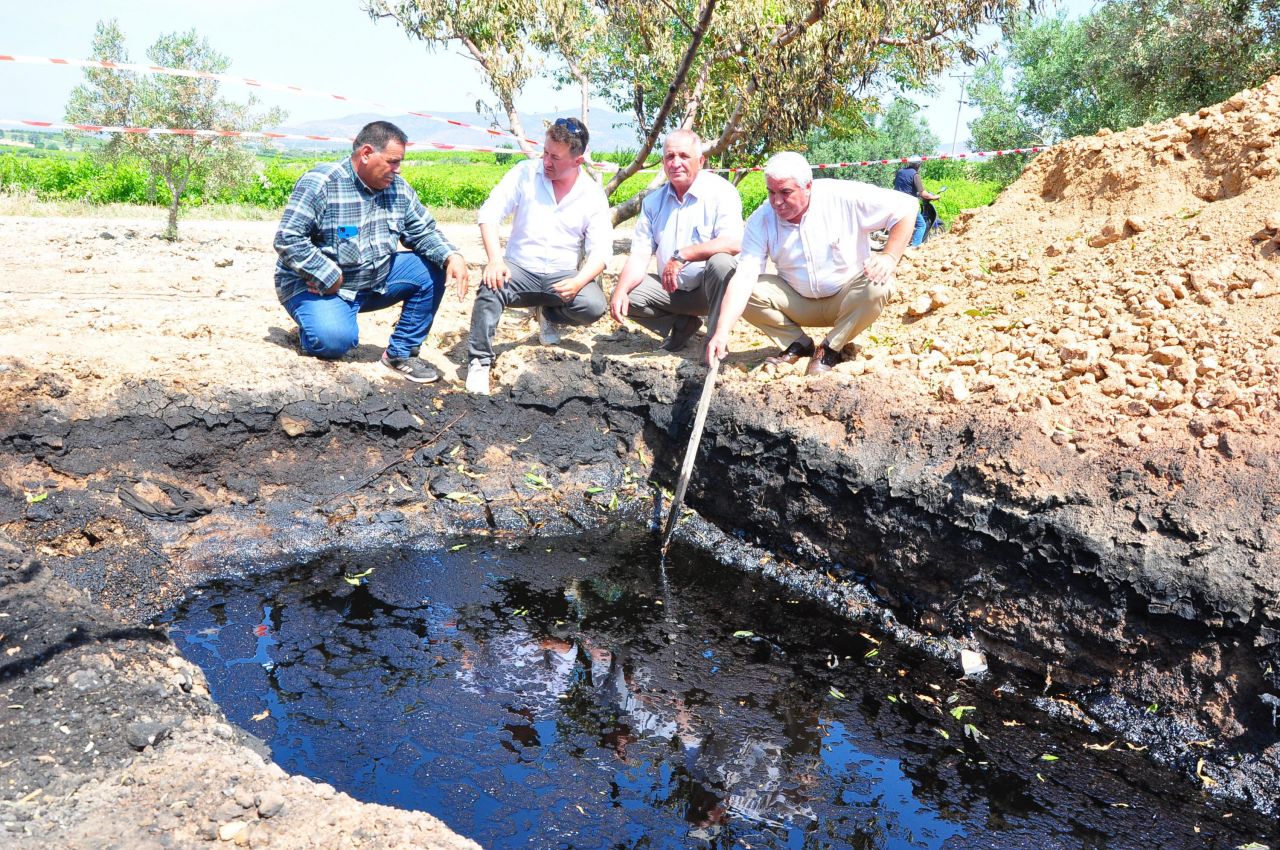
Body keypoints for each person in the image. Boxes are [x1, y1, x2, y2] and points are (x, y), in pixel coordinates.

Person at [273, 120, 469, 383]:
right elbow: (288, 238)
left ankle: (401, 354)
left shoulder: (398, 190)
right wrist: (326, 274)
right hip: (318, 287)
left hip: (372, 281)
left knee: (434, 267)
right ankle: (315, 328)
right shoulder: (322, 183)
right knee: (334, 342)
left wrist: (450, 255)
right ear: (366, 154)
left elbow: (423, 231)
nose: (397, 170)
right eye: (392, 161)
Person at [706, 151, 917, 375]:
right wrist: (722, 331)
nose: (777, 201)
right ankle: (798, 344)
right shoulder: (762, 219)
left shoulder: (843, 197)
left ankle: (829, 349)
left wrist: (889, 256)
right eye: (771, 192)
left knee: (878, 285)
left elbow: (907, 207)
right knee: (747, 289)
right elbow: (745, 276)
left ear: (807, 186)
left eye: (785, 192)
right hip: (798, 302)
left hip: (846, 299)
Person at [465, 116, 612, 395]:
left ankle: (549, 315)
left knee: (593, 305)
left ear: (577, 161)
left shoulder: (591, 194)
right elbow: (489, 214)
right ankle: (479, 362)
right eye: (545, 152)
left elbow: (602, 251)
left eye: (555, 157)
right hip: (519, 269)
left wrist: (579, 281)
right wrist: (496, 260)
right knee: (490, 286)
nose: (546, 161)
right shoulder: (525, 173)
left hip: (562, 276)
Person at [608, 129, 742, 351]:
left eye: (684, 156)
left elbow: (734, 242)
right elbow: (639, 256)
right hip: (671, 291)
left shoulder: (721, 192)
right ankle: (682, 324)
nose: (676, 163)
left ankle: (714, 340)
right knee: (625, 295)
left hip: (710, 293)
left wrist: (683, 256)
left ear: (701, 161)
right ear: (663, 162)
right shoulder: (653, 203)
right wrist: (620, 291)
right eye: (670, 157)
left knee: (722, 263)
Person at [893, 158, 940, 247]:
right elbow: (923, 193)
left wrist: (915, 193)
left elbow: (898, 184)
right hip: (908, 204)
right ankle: (915, 246)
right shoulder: (915, 175)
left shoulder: (900, 172)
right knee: (921, 225)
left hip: (896, 201)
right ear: (918, 165)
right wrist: (934, 197)